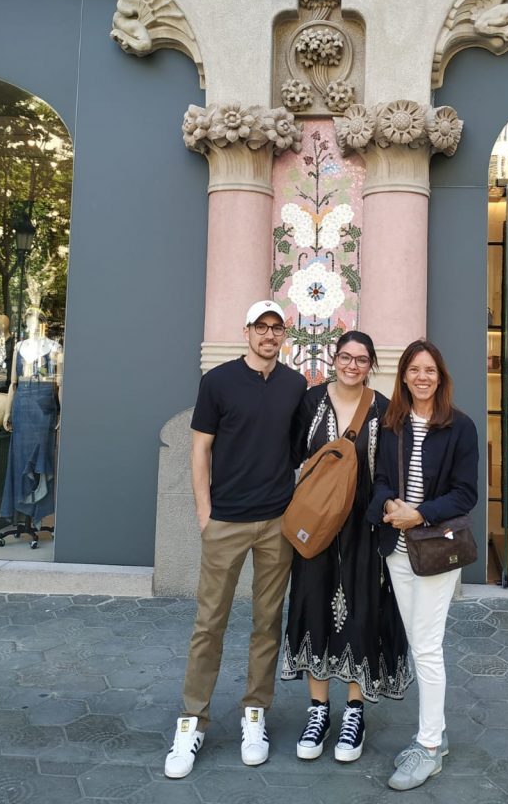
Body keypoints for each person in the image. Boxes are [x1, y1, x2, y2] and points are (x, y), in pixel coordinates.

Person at [165, 300, 307, 780]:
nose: (269, 335)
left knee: (268, 623)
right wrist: (205, 514)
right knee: (210, 623)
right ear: (246, 331)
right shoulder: (218, 382)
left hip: (276, 524)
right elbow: (200, 448)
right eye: (261, 327)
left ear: (284, 336)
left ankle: (255, 715)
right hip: (225, 521)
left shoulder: (295, 385)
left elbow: (296, 453)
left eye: (277, 328)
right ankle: (192, 720)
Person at [282, 331, 412, 764]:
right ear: (333, 359)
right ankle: (318, 711)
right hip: (318, 528)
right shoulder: (310, 401)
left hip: (364, 527)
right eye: (345, 357)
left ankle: (354, 711)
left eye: (361, 359)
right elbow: (293, 456)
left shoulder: (384, 409)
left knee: (360, 611)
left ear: (371, 364)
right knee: (313, 606)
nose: (352, 365)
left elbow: (391, 470)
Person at [366, 339, 478, 792]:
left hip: (435, 548)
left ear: (441, 376)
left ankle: (429, 746)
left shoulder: (460, 427)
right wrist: (389, 504)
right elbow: (378, 483)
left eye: (430, 369)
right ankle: (437, 732)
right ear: (404, 377)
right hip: (397, 546)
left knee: (426, 647)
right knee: (419, 643)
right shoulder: (390, 423)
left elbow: (465, 493)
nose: (422, 377)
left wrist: (421, 512)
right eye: (414, 369)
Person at [1, 308, 62, 525]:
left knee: (39, 458)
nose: (29, 326)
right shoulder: (19, 347)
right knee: (20, 458)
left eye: (33, 321)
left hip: (43, 405)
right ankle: (24, 514)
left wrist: (60, 411)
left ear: (42, 323)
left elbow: (59, 383)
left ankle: (37, 511)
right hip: (22, 406)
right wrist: (7, 411)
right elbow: (13, 384)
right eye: (27, 322)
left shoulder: (55, 348)